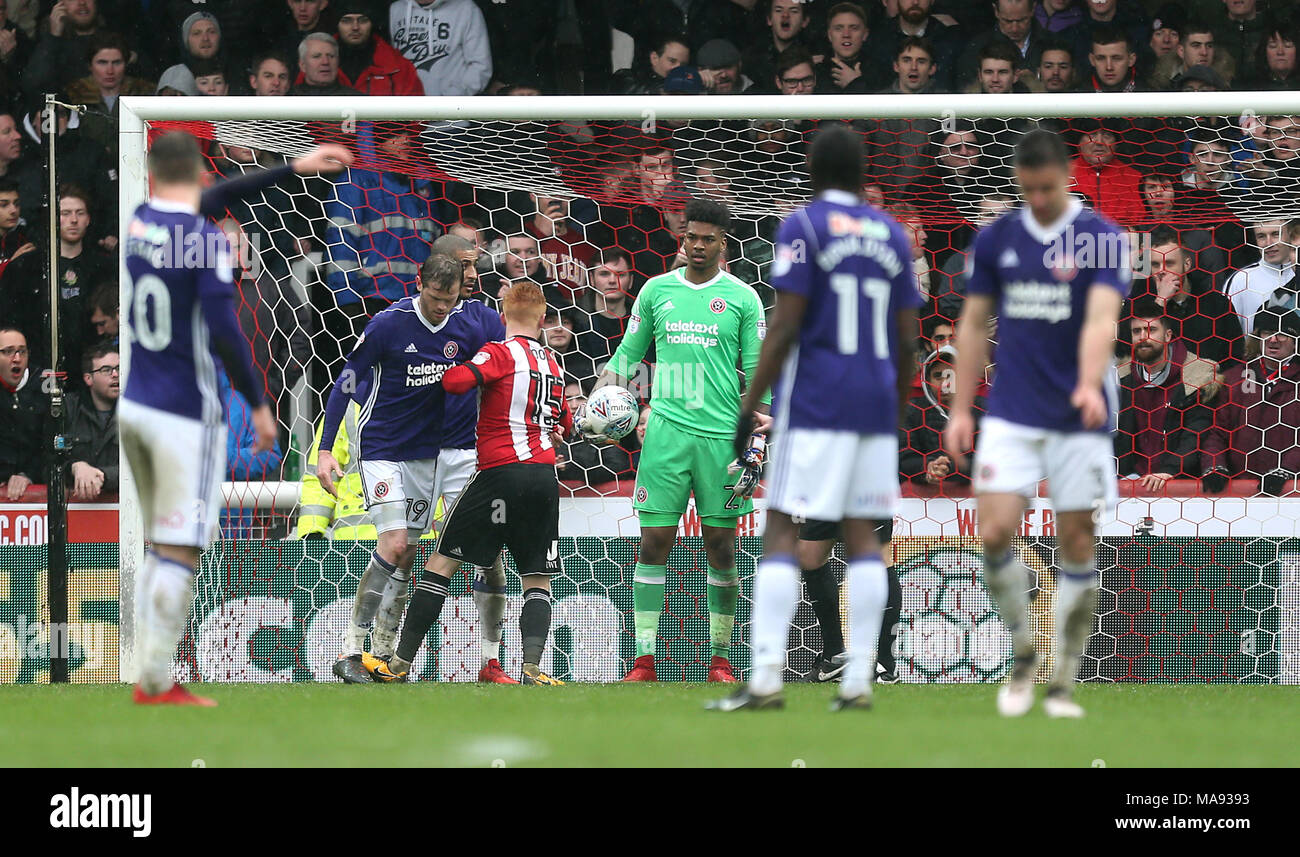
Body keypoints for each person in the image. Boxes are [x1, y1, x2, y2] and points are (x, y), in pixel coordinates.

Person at [120, 132, 351, 706]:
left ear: (153, 177)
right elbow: (225, 332)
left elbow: (215, 195)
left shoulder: (141, 223)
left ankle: (148, 672)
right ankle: (155, 680)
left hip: (135, 407)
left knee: (158, 541)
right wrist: (257, 401)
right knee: (182, 546)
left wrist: (291, 168)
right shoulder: (202, 239)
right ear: (200, 175)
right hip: (182, 414)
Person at [709, 124, 919, 711]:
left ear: (812, 170)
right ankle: (859, 682)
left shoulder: (801, 227)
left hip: (816, 402)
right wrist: (893, 409)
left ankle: (767, 680)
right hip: (874, 405)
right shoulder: (892, 235)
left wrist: (751, 404)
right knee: (866, 540)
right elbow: (908, 343)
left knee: (781, 529)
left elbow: (784, 326)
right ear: (861, 174)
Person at [944, 129, 1128, 719]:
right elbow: (974, 325)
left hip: (1078, 416)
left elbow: (1103, 317)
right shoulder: (998, 238)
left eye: (1048, 188)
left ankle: (1062, 682)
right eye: (1029, 190)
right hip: (1014, 412)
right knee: (995, 534)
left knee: (1077, 542)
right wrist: (961, 407)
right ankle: (1024, 651)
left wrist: (1087, 378)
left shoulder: (1100, 237)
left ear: (1068, 176)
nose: (1040, 200)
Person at [586, 198, 768, 684]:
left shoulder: (742, 298)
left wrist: (760, 428)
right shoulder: (655, 290)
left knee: (722, 546)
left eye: (708, 238)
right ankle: (644, 660)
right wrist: (596, 399)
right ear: (681, 237)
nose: (698, 245)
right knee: (655, 542)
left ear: (723, 243)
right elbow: (629, 352)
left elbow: (756, 370)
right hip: (665, 433)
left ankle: (721, 660)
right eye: (691, 237)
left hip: (722, 438)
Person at [314, 252, 508, 684]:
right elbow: (346, 378)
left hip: (444, 454)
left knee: (487, 552)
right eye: (435, 297)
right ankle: (353, 649)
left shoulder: (473, 324)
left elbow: (506, 367)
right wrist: (326, 449)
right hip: (386, 447)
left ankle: (491, 662)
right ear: (420, 283)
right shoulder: (389, 324)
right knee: (397, 545)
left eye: (450, 298)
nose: (441, 307)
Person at [376, 281, 571, 686]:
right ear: (544, 317)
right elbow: (565, 422)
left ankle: (398, 664)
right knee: (537, 576)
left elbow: (457, 383)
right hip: (543, 478)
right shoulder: (554, 363)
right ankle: (533, 668)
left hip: (498, 474)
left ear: (502, 317)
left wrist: (456, 363)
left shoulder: (499, 352)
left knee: (442, 562)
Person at [1115, 297, 1220, 492]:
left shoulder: (1196, 378)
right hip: (1129, 484)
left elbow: (1196, 434)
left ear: (1168, 335)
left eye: (1151, 330)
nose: (1143, 337)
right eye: (1137, 331)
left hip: (1179, 485)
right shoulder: (1122, 378)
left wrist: (1169, 470)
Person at [1208, 307, 1300, 496]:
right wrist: (1215, 466)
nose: (1273, 339)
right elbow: (1217, 432)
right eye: (1267, 332)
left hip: (1290, 493)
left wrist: (1286, 471)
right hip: (1237, 491)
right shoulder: (1234, 379)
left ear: (1295, 342)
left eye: (1281, 334)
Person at [388, 0, 491, 96]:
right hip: (405, 107)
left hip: (449, 109)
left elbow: (481, 66)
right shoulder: (397, 8)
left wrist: (451, 97)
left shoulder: (466, 9)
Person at [333, 0, 422, 96]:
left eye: (363, 20)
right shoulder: (320, 62)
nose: (355, 27)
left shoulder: (399, 67)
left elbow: (415, 109)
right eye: (346, 21)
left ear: (372, 24)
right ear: (337, 25)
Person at [0, 326, 46, 500]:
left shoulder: (44, 387)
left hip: (34, 489)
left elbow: (50, 445)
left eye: (22, 351)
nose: (17, 358)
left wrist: (27, 474)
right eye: (8, 352)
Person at [291, 32, 361, 95]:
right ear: (302, 65)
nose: (325, 62)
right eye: (317, 56)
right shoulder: (288, 99)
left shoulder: (358, 101)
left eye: (331, 56)